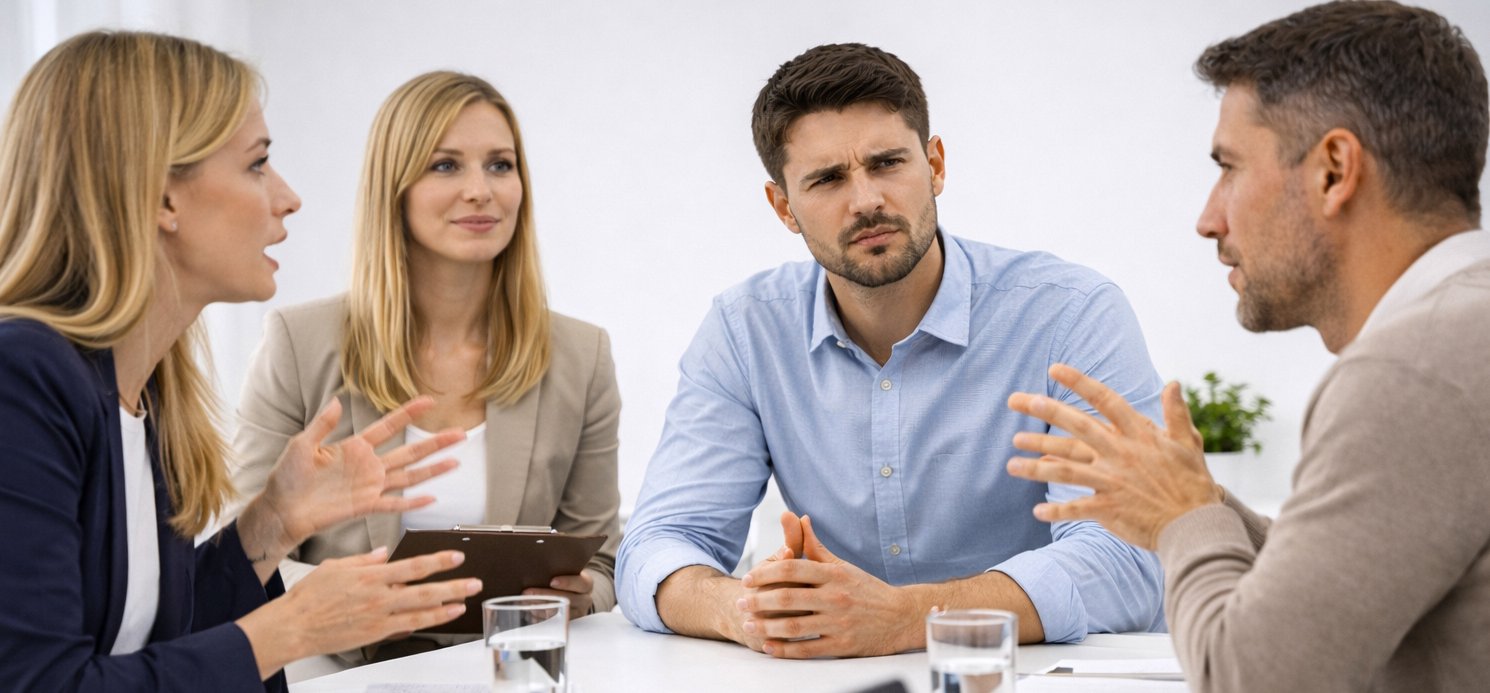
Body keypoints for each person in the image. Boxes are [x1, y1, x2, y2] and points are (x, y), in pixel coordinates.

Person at [0, 32, 483, 693]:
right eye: (257, 164)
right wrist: (290, 627)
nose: (287, 198)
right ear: (160, 197)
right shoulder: (10, 378)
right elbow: (34, 683)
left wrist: (272, 523)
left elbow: (153, 640)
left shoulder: (142, 388)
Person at [615, 42, 1165, 658]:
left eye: (887, 163)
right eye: (827, 179)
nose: (866, 200)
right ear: (782, 207)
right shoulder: (745, 332)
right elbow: (659, 543)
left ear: (935, 164)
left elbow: (1126, 558)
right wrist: (748, 612)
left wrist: (909, 618)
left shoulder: (1071, 313)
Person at [1004, 2, 1490, 691]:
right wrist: (1199, 502)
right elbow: (1336, 601)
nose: (1209, 218)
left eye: (1229, 167)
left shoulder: (1410, 373)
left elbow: (1253, 677)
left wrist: (1184, 517)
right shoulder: (1466, 332)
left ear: (1333, 170)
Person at [230, 71, 621, 667]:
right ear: (395, 187)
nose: (480, 191)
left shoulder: (580, 354)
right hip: (338, 673)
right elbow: (242, 553)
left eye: (500, 165)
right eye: (445, 166)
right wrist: (341, 602)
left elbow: (602, 560)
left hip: (509, 671)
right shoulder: (299, 342)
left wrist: (581, 597)